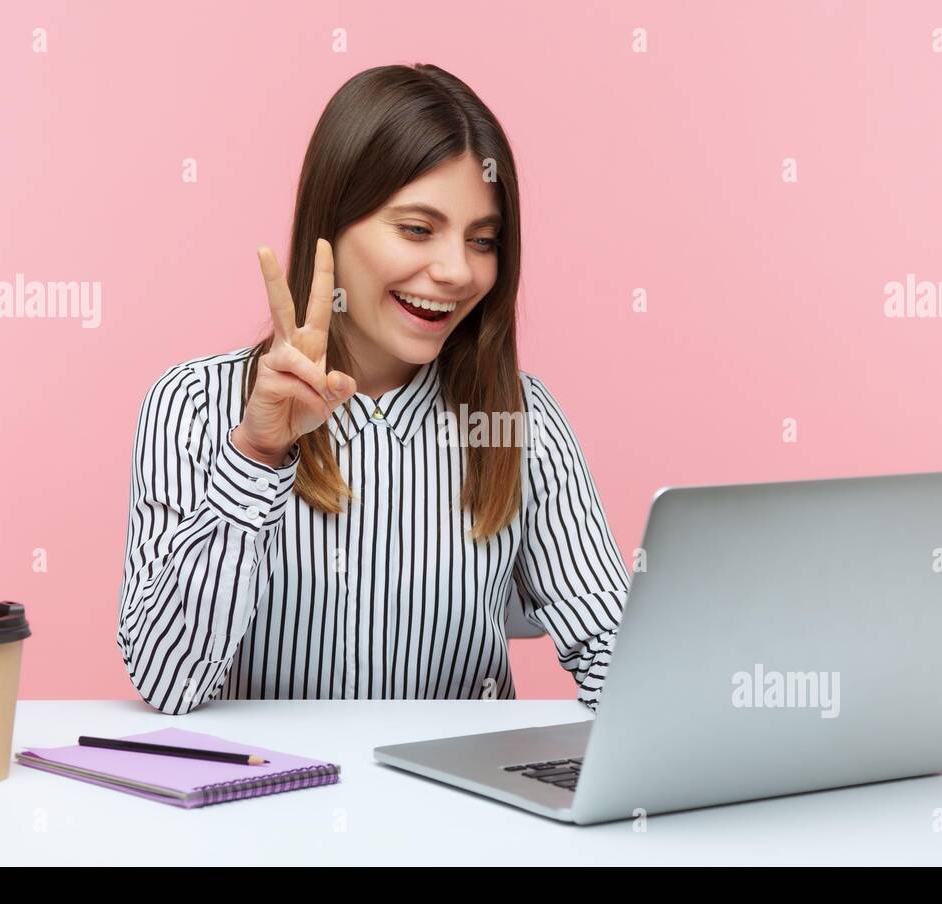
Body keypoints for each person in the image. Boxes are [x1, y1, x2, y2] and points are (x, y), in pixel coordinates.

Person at [117, 64, 628, 715]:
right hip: (264, 808)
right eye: (417, 229)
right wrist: (257, 452)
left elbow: (616, 654)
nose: (455, 272)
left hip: (458, 811)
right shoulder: (193, 405)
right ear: (332, 224)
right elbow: (168, 683)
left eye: (483, 241)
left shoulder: (519, 419)